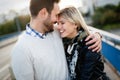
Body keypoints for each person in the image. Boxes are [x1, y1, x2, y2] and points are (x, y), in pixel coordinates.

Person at [11, 0, 102, 80]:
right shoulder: (21, 49)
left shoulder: (55, 30)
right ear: (43, 13)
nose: (57, 21)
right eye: (55, 15)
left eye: (60, 22)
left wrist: (96, 35)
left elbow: (78, 29)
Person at [57, 6, 109, 80]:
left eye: (62, 23)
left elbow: (85, 76)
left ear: (75, 24)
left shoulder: (89, 43)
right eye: (57, 23)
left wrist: (98, 35)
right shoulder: (67, 43)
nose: (58, 27)